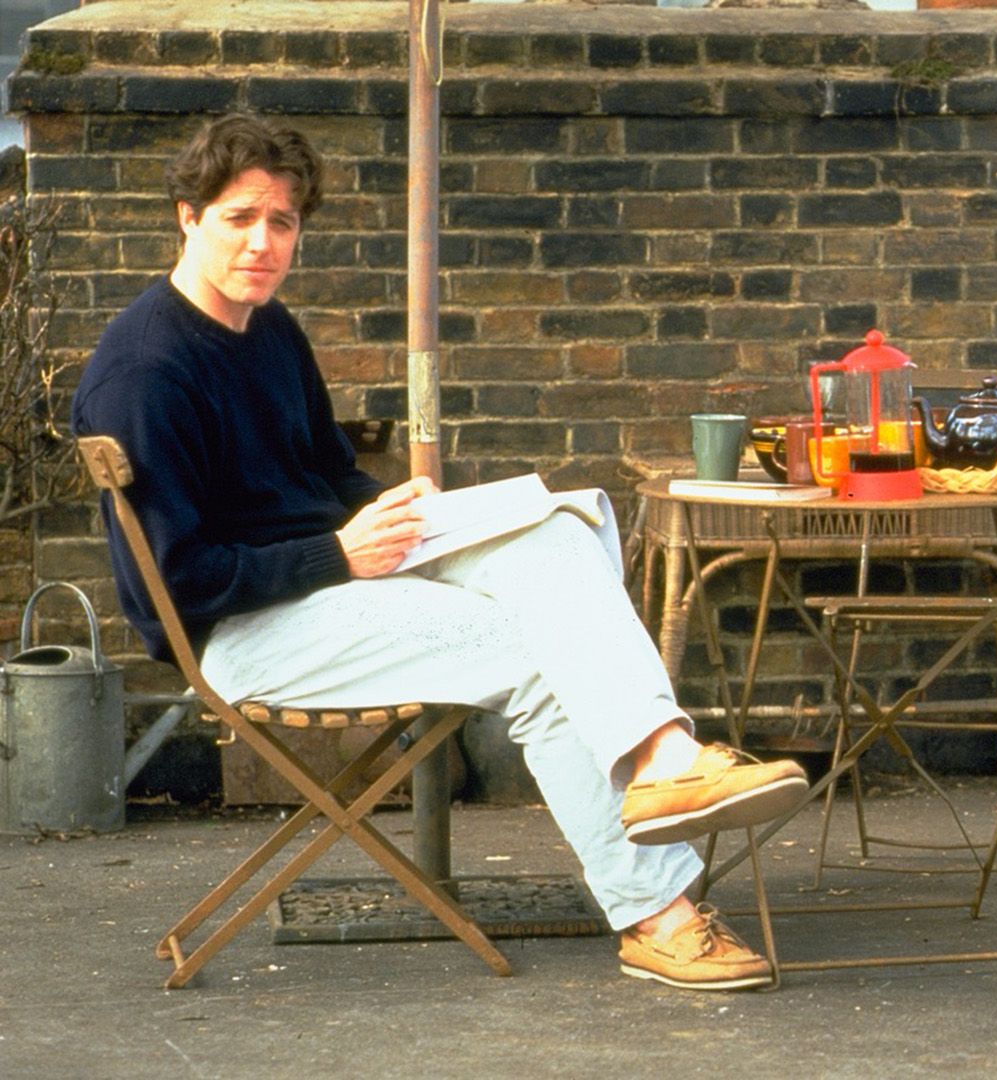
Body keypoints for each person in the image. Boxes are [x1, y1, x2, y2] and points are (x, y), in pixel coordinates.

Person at [72, 114, 808, 989]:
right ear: (187, 218)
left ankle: (664, 760)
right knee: (542, 653)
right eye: (240, 219)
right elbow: (174, 590)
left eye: (284, 223)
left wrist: (389, 511)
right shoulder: (146, 372)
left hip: (338, 577)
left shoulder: (267, 330)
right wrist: (340, 555)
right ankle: (657, 915)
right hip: (240, 633)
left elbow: (323, 473)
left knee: (554, 527)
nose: (264, 243)